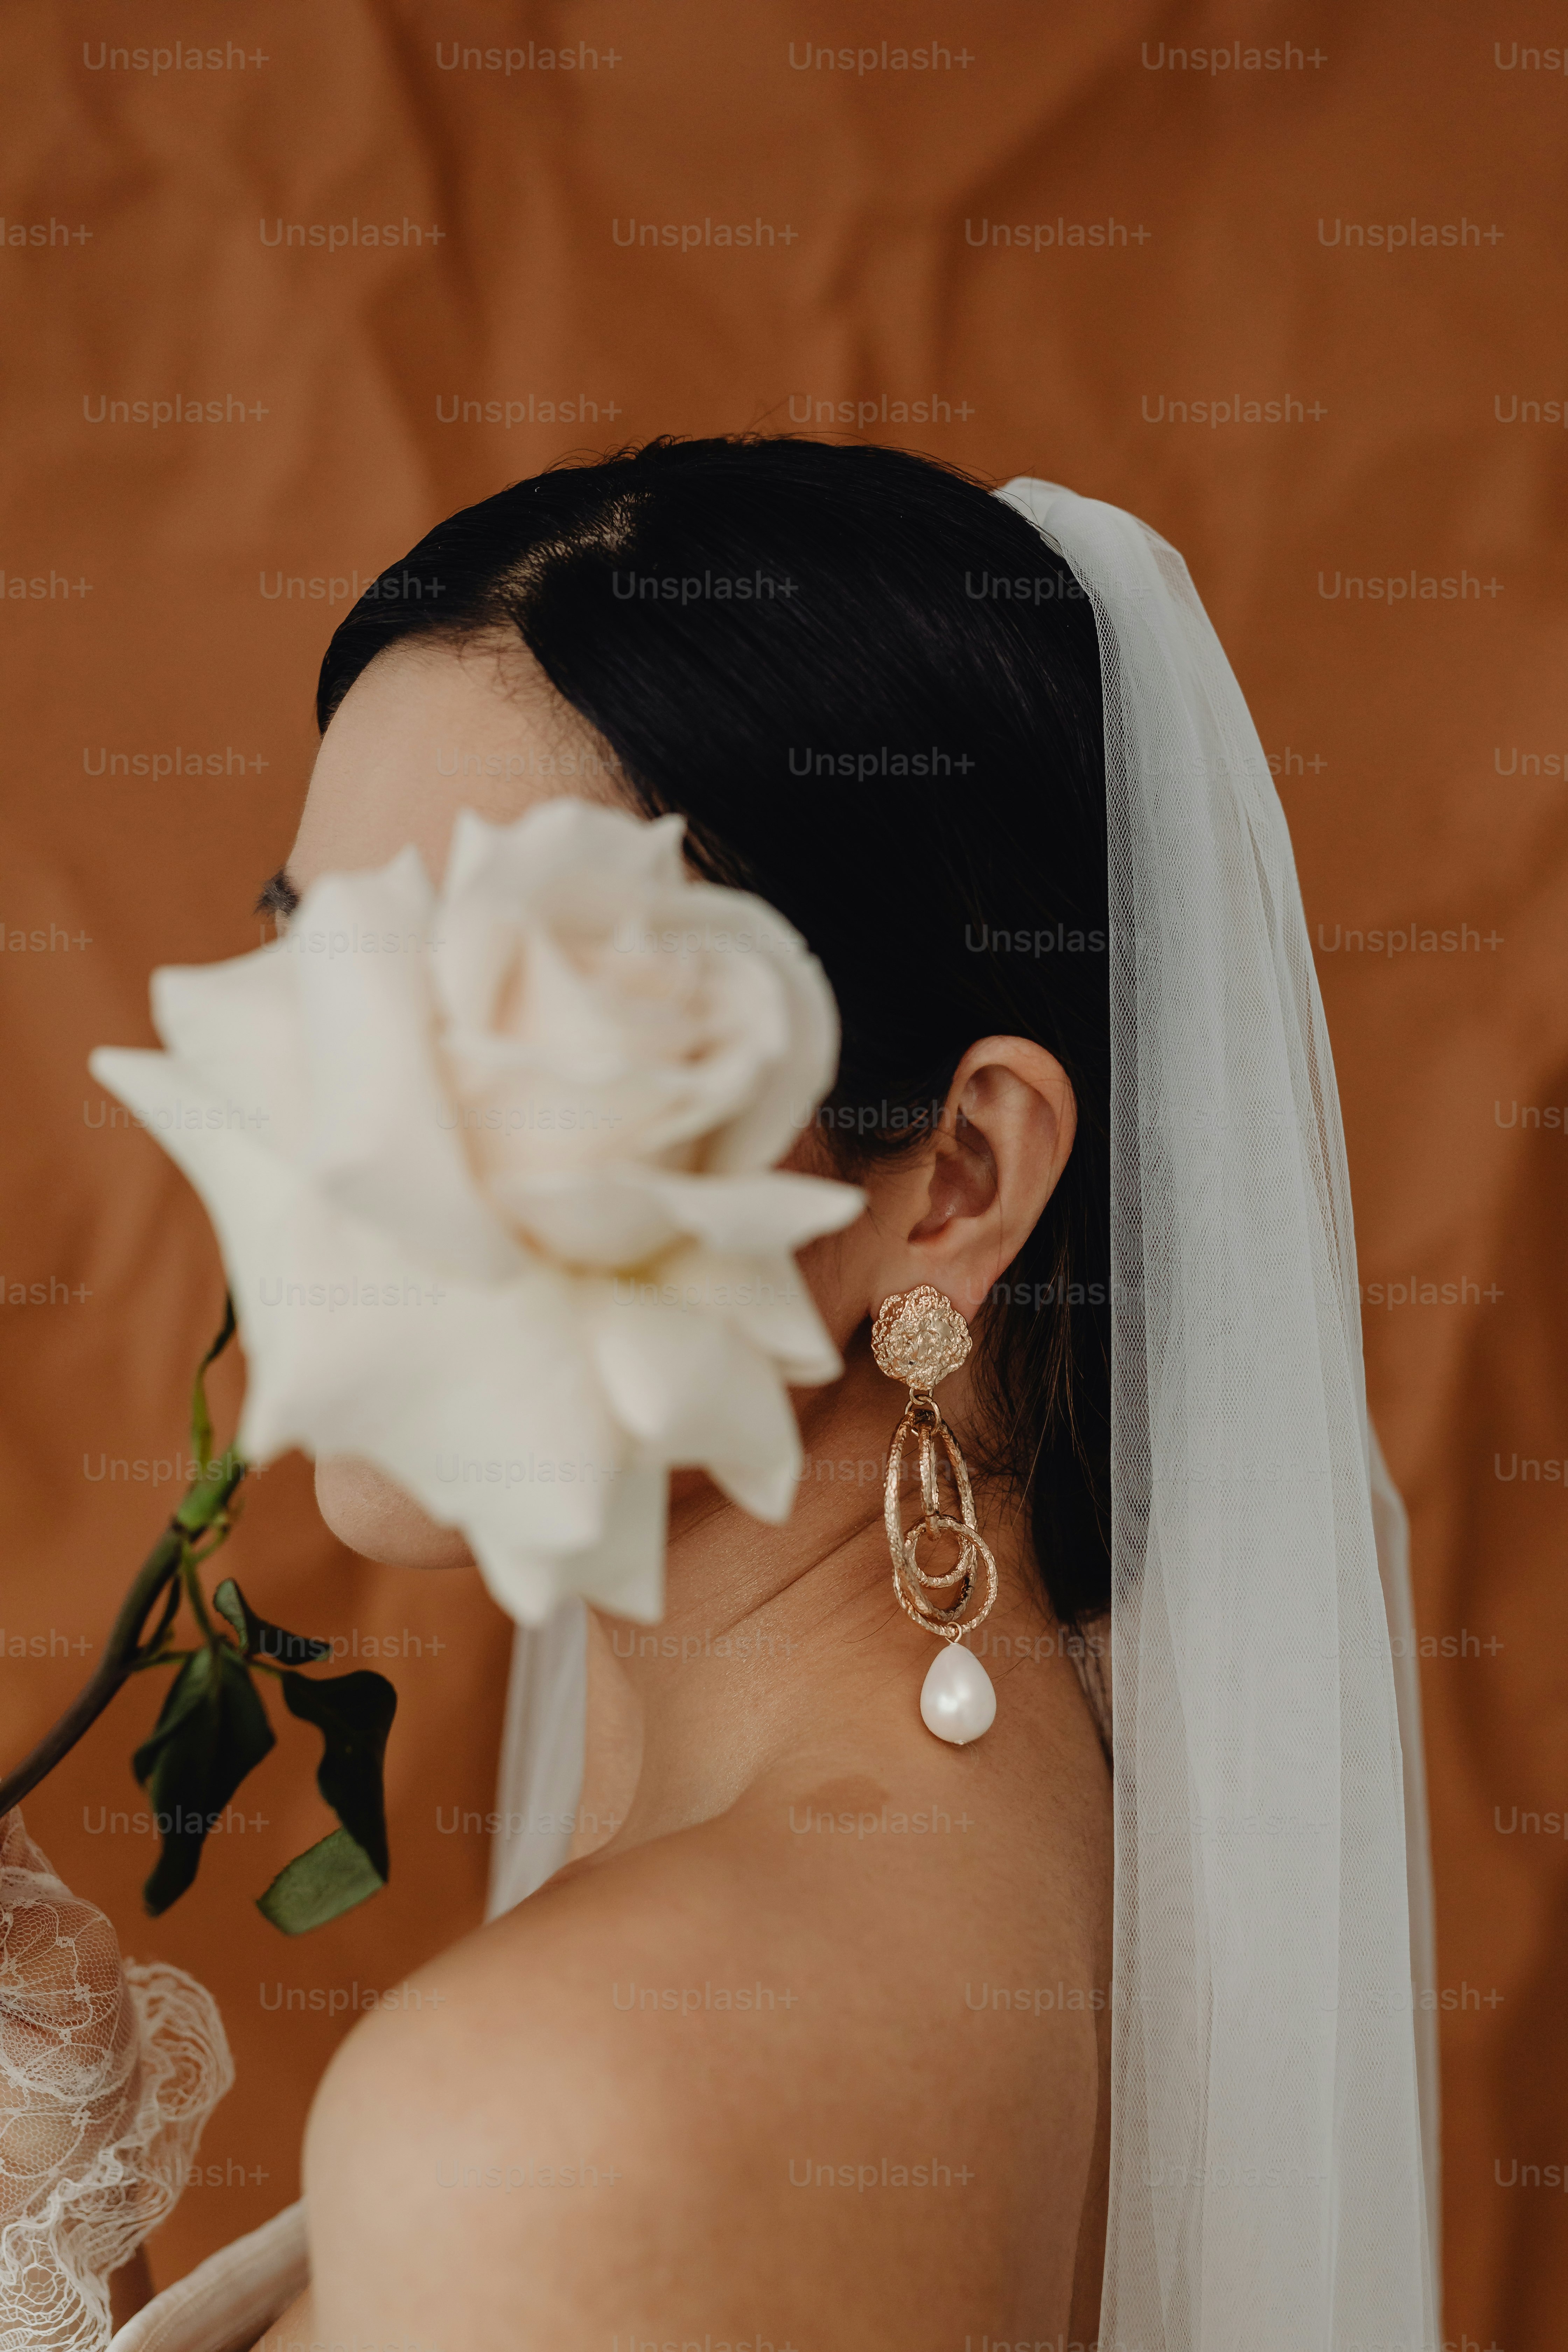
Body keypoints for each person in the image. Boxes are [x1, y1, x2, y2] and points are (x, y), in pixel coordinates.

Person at [6, 439, 1436, 2352]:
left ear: (955, 1181)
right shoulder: (994, 1860)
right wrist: (50, 2146)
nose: (328, 1152)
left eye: (476, 1023)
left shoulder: (588, 2100)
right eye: (311, 980)